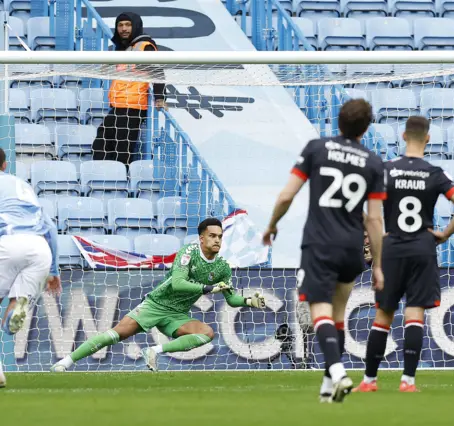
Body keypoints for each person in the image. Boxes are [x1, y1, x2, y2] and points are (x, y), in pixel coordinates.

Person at [262, 99, 386, 403]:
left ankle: (338, 370)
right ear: (366, 129)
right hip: (352, 247)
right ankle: (329, 386)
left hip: (319, 244)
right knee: (339, 314)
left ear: (337, 121)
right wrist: (379, 265)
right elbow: (374, 219)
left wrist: (272, 224)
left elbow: (286, 195)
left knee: (319, 310)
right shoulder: (372, 162)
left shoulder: (316, 149)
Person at [51, 218, 266, 372]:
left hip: (177, 315)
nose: (217, 240)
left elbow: (231, 299)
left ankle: (154, 350)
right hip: (155, 304)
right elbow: (180, 283)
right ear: (201, 238)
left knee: (206, 333)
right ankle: (66, 362)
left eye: (220, 236)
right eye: (212, 236)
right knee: (117, 334)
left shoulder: (222, 268)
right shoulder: (188, 253)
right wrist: (207, 289)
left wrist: (249, 301)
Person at [353, 117, 454, 393]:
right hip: (422, 247)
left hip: (391, 246)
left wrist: (376, 239)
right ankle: (408, 381)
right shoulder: (434, 172)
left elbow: (363, 206)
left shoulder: (386, 170)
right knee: (414, 314)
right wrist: (445, 234)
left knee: (383, 314)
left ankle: (369, 380)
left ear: (404, 136)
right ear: (428, 139)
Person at [0, 148, 61, 388]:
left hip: (7, 242)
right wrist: (54, 270)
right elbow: (52, 229)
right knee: (16, 303)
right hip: (39, 249)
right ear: (5, 165)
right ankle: (16, 308)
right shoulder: (22, 186)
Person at [92, 12, 166, 166]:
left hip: (133, 107)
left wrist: (160, 98)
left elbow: (157, 72)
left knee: (122, 149)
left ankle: (120, 183)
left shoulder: (145, 46)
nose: (123, 29)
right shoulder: (123, 48)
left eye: (128, 25)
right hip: (118, 106)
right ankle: (102, 176)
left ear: (136, 26)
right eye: (120, 25)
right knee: (102, 141)